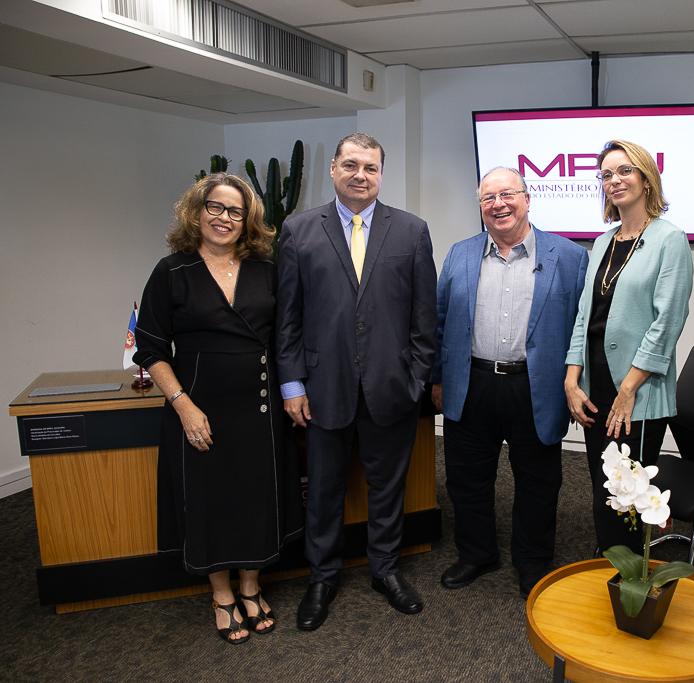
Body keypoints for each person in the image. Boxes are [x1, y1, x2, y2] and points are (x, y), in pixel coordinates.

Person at [134, 173, 303, 645]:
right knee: (210, 503)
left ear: (247, 221)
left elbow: (286, 335)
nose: (224, 218)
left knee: (255, 499)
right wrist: (183, 406)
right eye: (216, 207)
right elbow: (150, 348)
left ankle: (250, 586)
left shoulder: (266, 269)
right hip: (199, 408)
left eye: (235, 211)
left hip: (260, 407)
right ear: (197, 211)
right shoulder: (172, 271)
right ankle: (221, 594)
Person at [276, 132, 437, 629]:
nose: (360, 175)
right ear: (333, 169)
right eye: (351, 165)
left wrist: (416, 380)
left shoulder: (411, 231)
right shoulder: (299, 230)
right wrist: (292, 384)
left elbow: (424, 319)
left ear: (381, 174)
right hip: (322, 389)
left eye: (370, 167)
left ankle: (384, 570)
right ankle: (321, 578)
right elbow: (288, 318)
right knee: (324, 490)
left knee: (387, 488)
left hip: (391, 388)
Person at [432, 168, 588, 599]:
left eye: (507, 195)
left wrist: (577, 385)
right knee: (466, 477)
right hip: (472, 382)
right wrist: (438, 379)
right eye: (488, 198)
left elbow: (582, 328)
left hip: (535, 386)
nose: (498, 204)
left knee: (538, 480)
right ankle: (476, 553)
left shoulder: (569, 257)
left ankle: (532, 561)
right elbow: (440, 321)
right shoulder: (460, 254)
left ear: (527, 198)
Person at [564, 140, 693, 554]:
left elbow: (666, 323)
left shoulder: (670, 239)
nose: (614, 180)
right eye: (606, 174)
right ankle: (610, 565)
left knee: (631, 493)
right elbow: (585, 315)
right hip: (595, 384)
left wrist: (628, 388)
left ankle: (630, 577)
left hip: (636, 389)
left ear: (645, 178)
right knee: (604, 486)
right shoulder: (603, 242)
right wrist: (571, 379)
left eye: (624, 170)